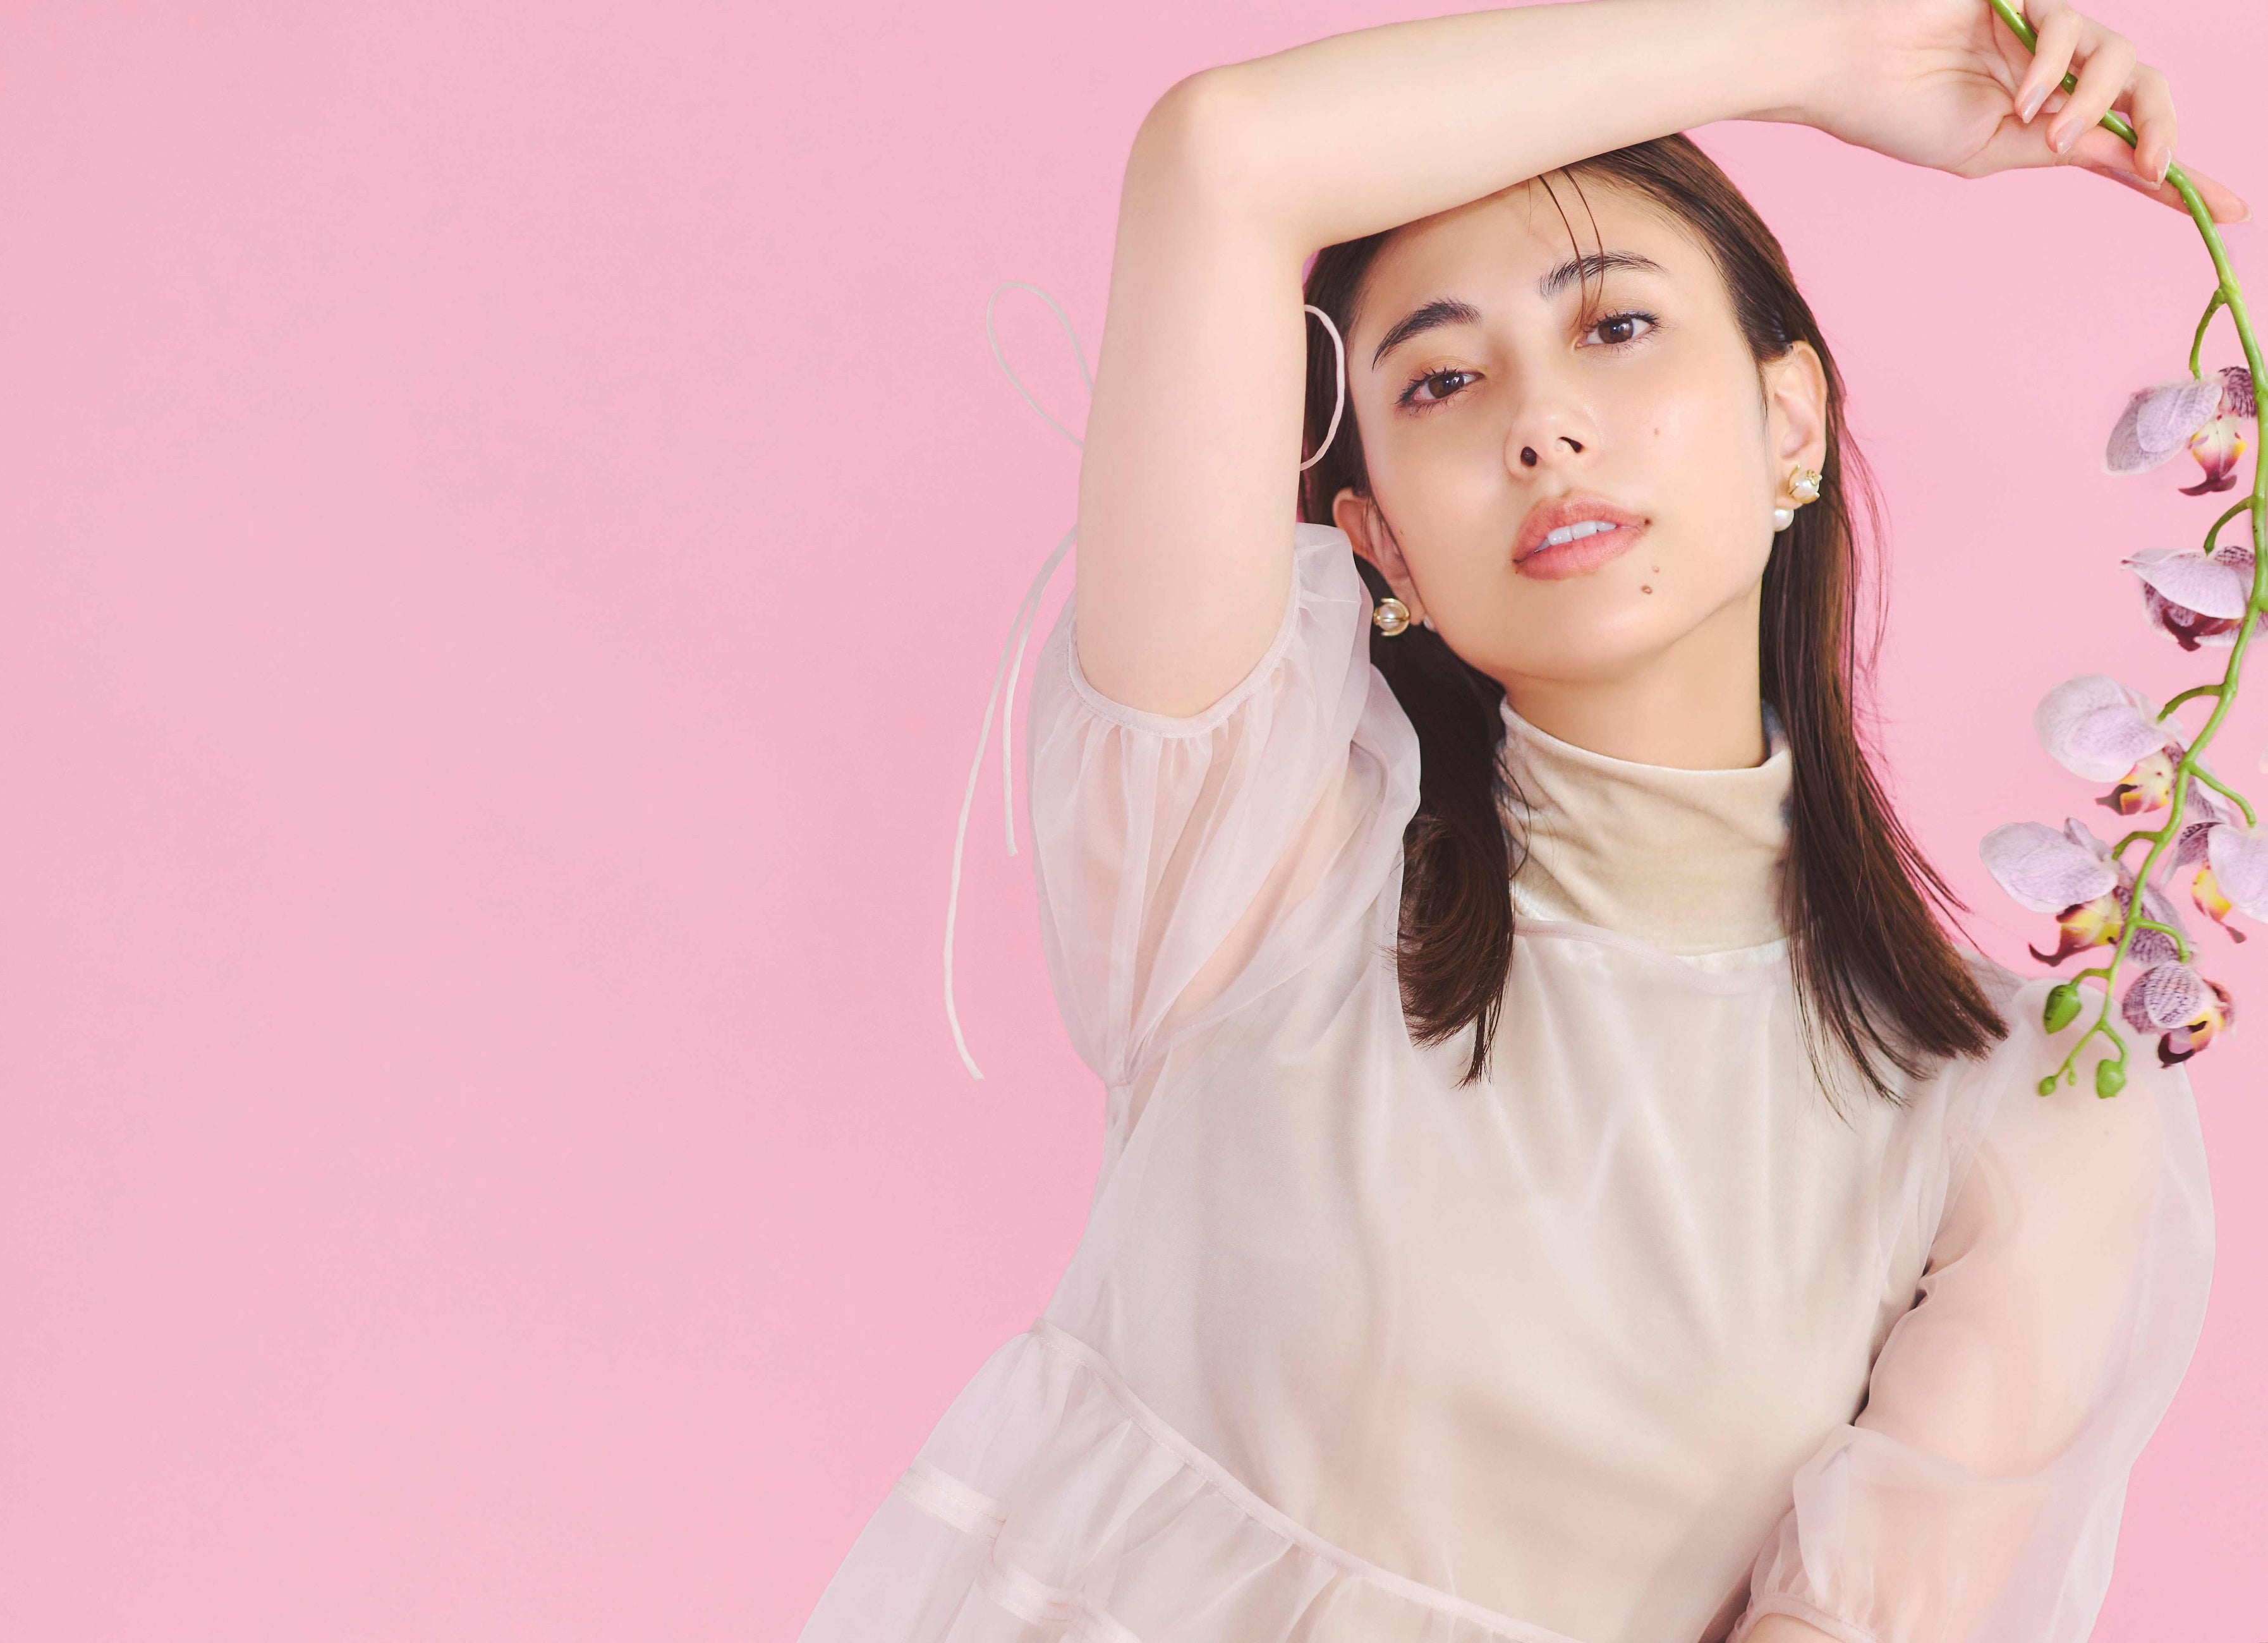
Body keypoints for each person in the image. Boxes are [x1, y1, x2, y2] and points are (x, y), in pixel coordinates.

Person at [803, 2, 2238, 1639]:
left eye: (1615, 326)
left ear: (1791, 419)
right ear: (1378, 545)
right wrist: (1820, 52)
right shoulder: (1251, 864)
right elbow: (1222, 160)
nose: (1538, 424)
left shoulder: (2022, 1107)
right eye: (1439, 381)